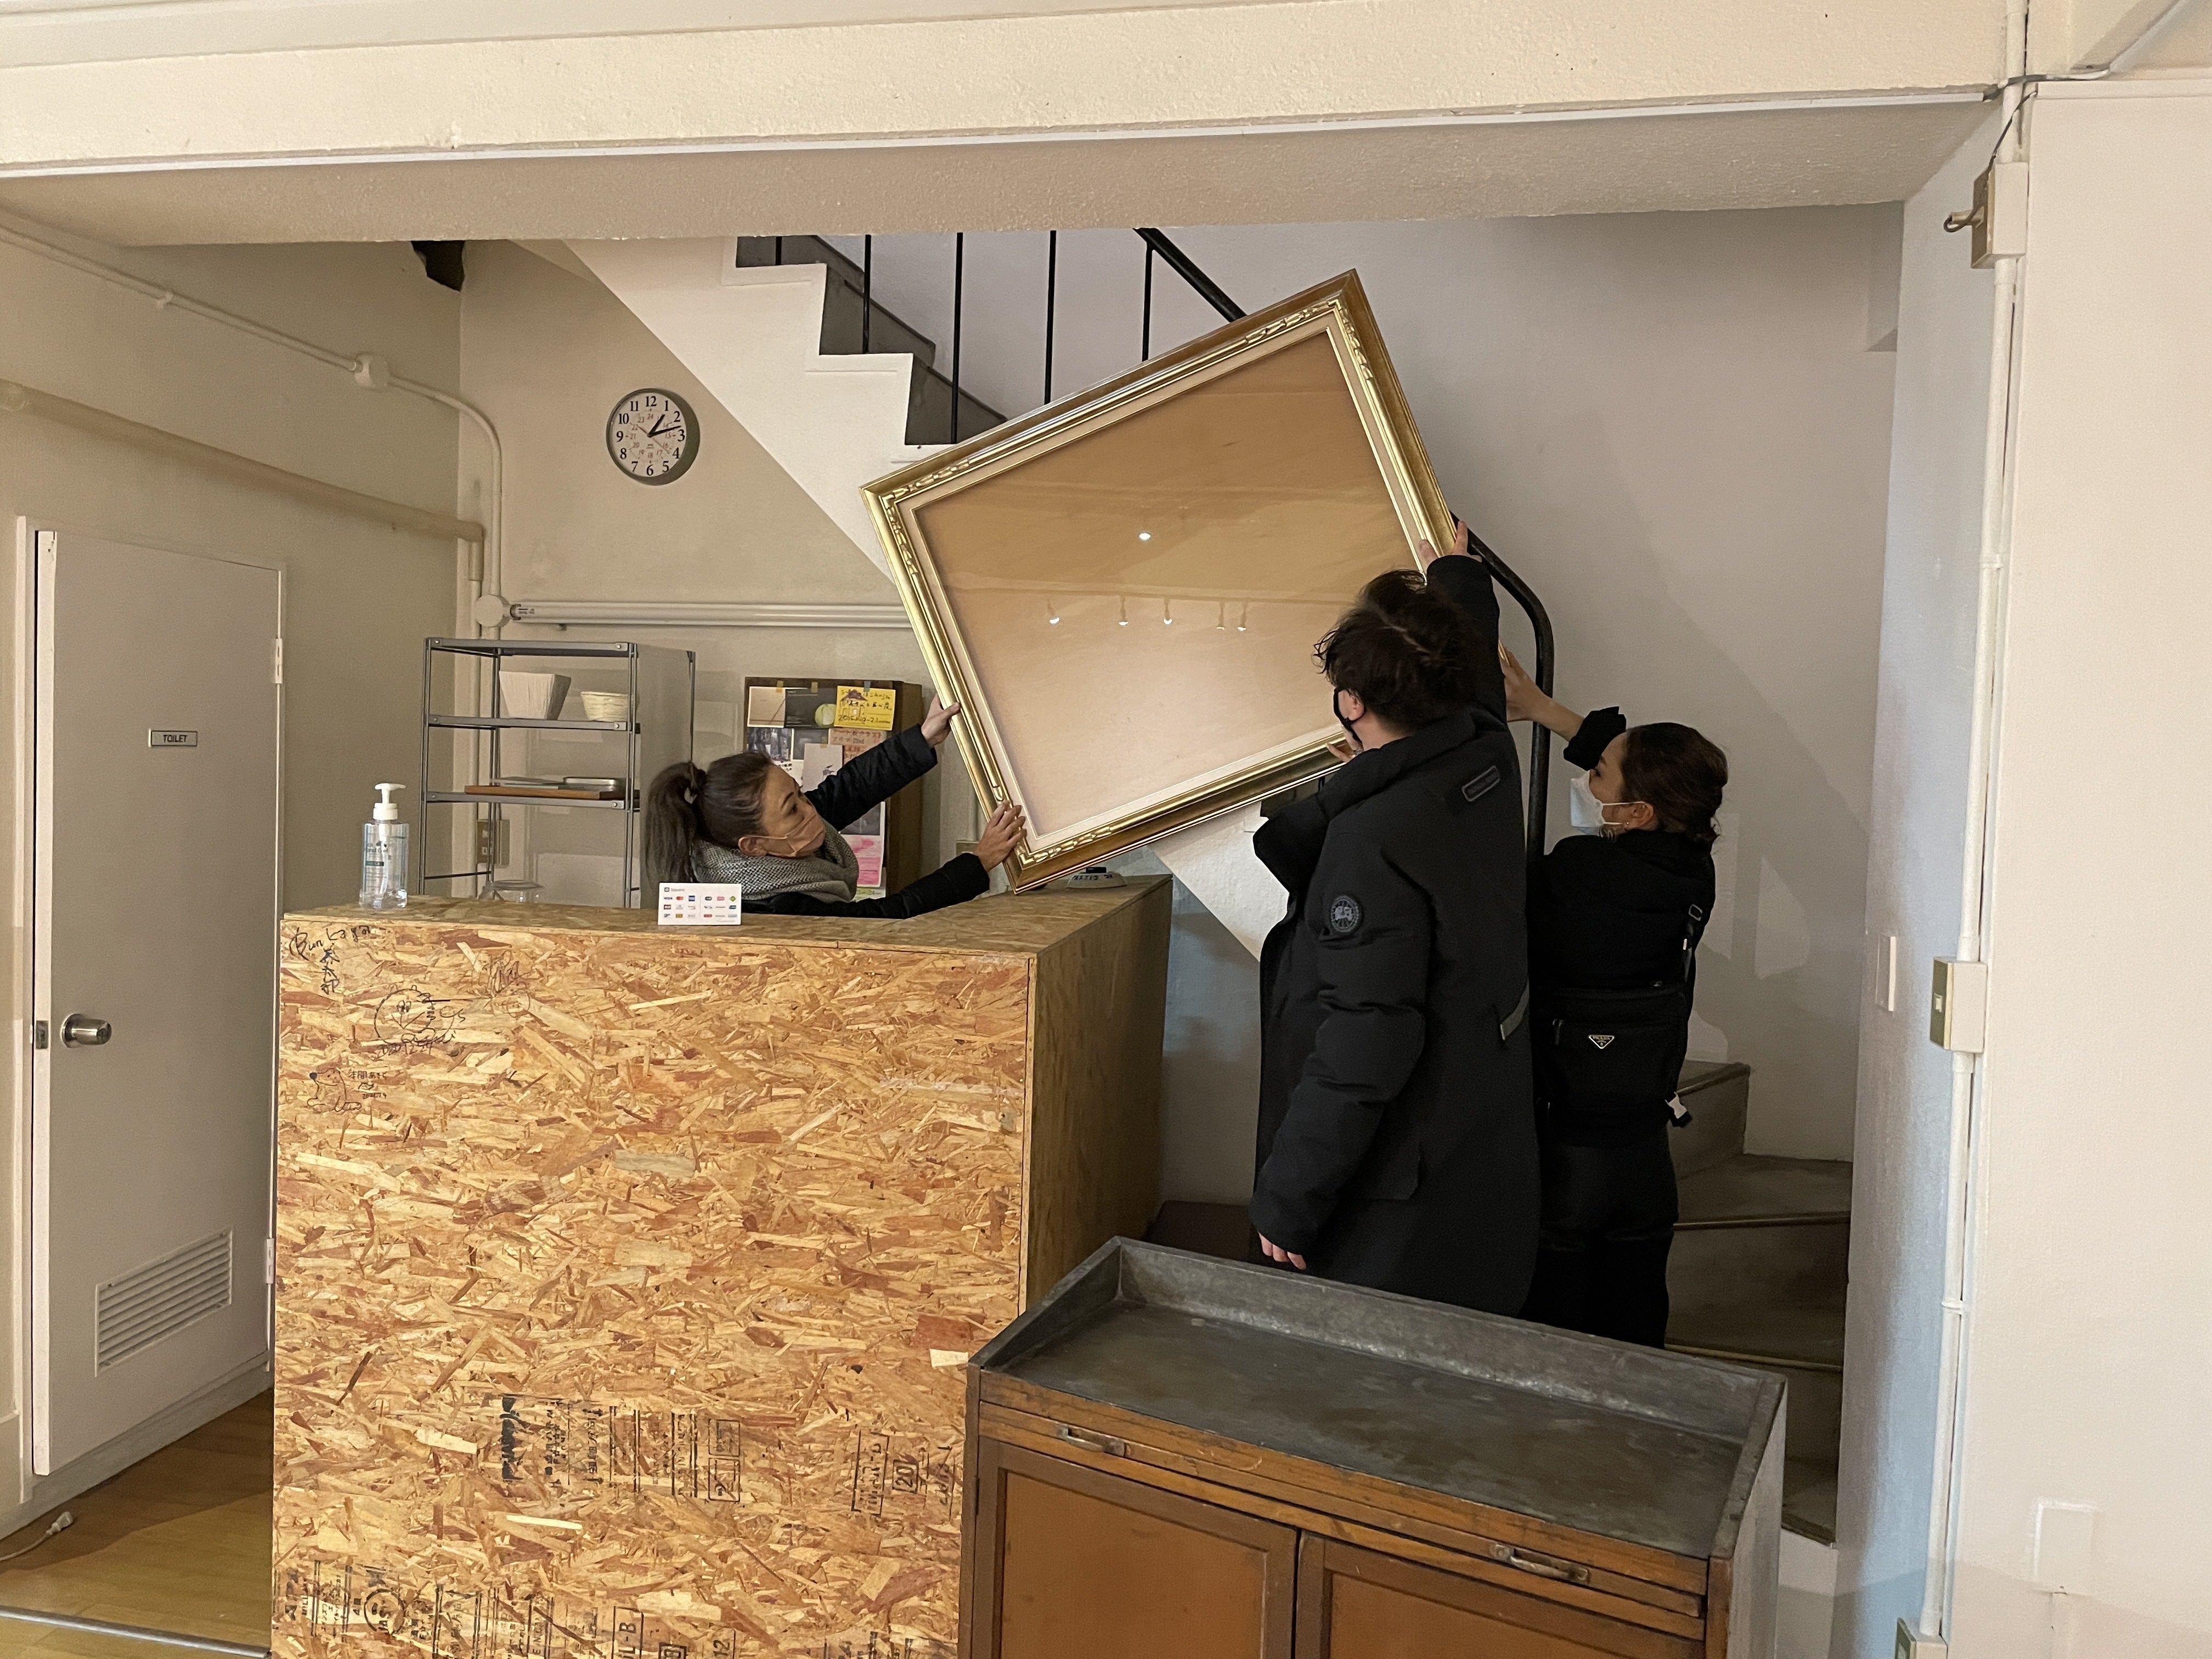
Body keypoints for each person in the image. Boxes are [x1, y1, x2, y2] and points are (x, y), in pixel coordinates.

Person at [1247, 520, 1539, 1314]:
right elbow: (1477, 683)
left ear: (1351, 702)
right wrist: (1459, 577)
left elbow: (1363, 1040)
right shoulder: (1483, 752)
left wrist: (1289, 1196)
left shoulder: (1373, 839)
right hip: (1477, 1134)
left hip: (1401, 1186)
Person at [1499, 647, 1729, 1347]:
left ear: (1637, 813)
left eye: (1598, 773)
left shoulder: (1579, 872)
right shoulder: (1694, 870)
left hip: (1567, 1148)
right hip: (1643, 1152)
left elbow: (1498, 904)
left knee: (1556, 1331)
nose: (1587, 778)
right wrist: (1544, 710)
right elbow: (1636, 768)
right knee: (1635, 1317)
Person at [642, 698, 1025, 918]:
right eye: (792, 809)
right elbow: (886, 916)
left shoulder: (765, 840)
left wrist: (923, 737)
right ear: (754, 845)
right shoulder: (771, 909)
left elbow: (850, 788)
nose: (810, 809)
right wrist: (978, 862)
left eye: (799, 793)